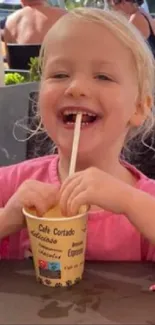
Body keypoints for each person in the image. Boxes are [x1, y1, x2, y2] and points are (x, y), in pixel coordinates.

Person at [1, 8, 155, 261]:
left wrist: (130, 203)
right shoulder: (12, 185)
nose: (76, 88)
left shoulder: (146, 202)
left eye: (103, 77)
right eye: (59, 75)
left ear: (138, 108)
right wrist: (7, 218)